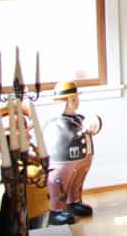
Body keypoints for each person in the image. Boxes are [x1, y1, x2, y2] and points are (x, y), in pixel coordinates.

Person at [43, 81, 102, 225]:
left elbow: (91, 126)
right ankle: (55, 210)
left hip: (81, 158)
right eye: (73, 99)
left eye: (76, 98)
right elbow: (68, 135)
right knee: (60, 183)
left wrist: (93, 125)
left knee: (77, 182)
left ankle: (74, 202)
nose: (76, 101)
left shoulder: (79, 118)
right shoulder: (56, 123)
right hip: (65, 159)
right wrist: (82, 130)